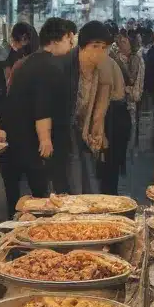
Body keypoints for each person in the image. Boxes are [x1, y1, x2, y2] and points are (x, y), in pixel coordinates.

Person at [0, 18, 76, 212]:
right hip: (32, 143)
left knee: (19, 197)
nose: (72, 43)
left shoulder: (32, 61)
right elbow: (43, 105)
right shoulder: (48, 67)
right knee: (43, 198)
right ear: (57, 39)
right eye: (69, 38)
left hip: (16, 140)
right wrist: (45, 139)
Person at [63, 21, 112, 193]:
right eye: (95, 46)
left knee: (87, 179)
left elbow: (98, 107)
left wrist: (96, 131)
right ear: (83, 46)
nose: (100, 51)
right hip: (64, 131)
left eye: (104, 47)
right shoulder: (66, 65)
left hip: (82, 132)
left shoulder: (99, 70)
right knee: (73, 180)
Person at [96, 49, 131, 195]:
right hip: (118, 115)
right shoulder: (111, 60)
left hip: (111, 117)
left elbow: (103, 100)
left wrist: (100, 131)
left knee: (108, 167)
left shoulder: (103, 63)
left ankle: (109, 201)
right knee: (111, 168)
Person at [4, 21, 39, 90]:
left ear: (23, 38)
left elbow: (9, 86)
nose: (12, 43)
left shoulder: (19, 63)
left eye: (13, 39)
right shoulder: (44, 57)